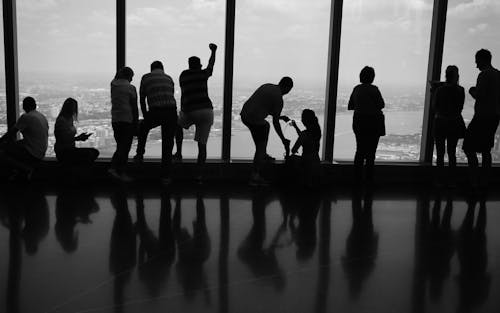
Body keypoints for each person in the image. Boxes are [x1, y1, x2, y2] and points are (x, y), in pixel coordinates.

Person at [176, 43, 217, 183]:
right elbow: (211, 65)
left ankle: (179, 152)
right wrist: (213, 51)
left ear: (188, 65)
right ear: (199, 65)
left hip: (190, 110)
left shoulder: (183, 75)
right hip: (206, 110)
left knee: (177, 126)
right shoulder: (202, 73)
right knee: (202, 146)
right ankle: (199, 175)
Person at [240, 77, 293, 186]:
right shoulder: (279, 98)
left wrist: (280, 117)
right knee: (263, 135)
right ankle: (255, 177)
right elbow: (275, 123)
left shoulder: (268, 86)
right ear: (288, 89)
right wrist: (283, 140)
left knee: (264, 128)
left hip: (245, 114)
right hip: (254, 119)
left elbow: (262, 107)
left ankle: (262, 153)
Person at [133, 61, 178, 185]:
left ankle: (140, 154)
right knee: (168, 144)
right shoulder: (169, 78)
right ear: (162, 69)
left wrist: (145, 114)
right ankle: (166, 177)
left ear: (151, 69)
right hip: (171, 112)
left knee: (143, 127)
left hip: (156, 111)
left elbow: (142, 98)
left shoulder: (146, 77)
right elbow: (170, 96)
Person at [462, 49, 500, 190]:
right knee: (486, 150)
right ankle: (485, 182)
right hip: (494, 116)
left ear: (483, 60)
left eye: (477, 61)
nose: (476, 65)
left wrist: (472, 90)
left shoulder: (484, 75)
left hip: (482, 116)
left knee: (468, 147)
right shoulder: (498, 74)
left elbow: (480, 95)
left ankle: (474, 181)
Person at [348, 66, 385, 186]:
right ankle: (369, 180)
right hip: (374, 122)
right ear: (372, 77)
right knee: (371, 153)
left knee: (359, 151)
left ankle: (356, 179)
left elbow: (351, 105)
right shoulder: (374, 89)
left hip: (359, 121)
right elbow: (381, 105)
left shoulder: (356, 89)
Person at [432, 66, 465, 187]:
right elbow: (460, 107)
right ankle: (452, 180)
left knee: (440, 153)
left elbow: (434, 107)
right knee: (452, 153)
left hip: (440, 122)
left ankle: (439, 180)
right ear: (457, 76)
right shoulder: (461, 90)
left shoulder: (440, 90)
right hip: (454, 123)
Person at [0, 96, 49, 180]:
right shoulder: (41, 116)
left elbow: (11, 133)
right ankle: (21, 171)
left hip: (32, 152)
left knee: (3, 153)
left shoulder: (26, 117)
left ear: (24, 106)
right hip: (41, 150)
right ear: (34, 105)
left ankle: (25, 169)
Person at [109, 66, 138, 182]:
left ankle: (117, 171)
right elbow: (134, 108)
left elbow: (116, 77)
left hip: (115, 120)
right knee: (124, 148)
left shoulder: (113, 85)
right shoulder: (131, 88)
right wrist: (135, 123)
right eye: (131, 77)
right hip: (127, 120)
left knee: (120, 145)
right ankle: (117, 170)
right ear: (129, 76)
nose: (132, 79)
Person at [54, 97, 99, 165]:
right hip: (63, 151)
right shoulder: (62, 120)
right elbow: (62, 139)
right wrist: (79, 138)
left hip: (70, 148)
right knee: (91, 154)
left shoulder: (69, 119)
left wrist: (79, 137)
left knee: (94, 152)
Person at [289, 109, 322, 188]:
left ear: (304, 120)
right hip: (316, 162)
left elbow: (293, 150)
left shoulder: (304, 134)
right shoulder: (317, 131)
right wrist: (295, 127)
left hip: (306, 164)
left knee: (291, 159)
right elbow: (304, 136)